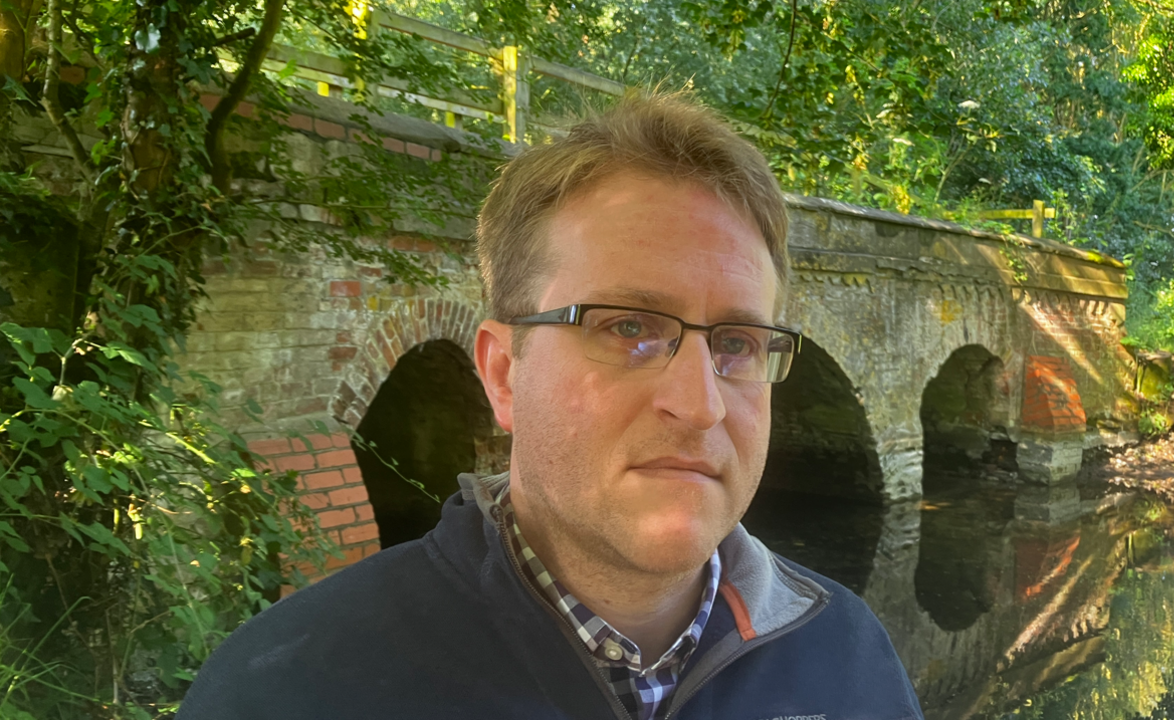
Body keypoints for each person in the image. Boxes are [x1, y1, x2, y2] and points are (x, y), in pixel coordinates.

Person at [178, 92, 924, 720]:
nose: (701, 407)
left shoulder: (851, 661)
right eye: (628, 327)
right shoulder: (291, 689)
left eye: (735, 342)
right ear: (503, 374)